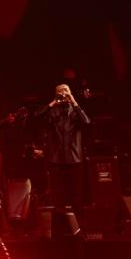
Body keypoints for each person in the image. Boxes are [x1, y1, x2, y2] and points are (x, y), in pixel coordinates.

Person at [38, 83, 90, 213]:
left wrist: (74, 102)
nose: (63, 93)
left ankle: (78, 221)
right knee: (58, 196)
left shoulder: (76, 111)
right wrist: (53, 103)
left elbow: (86, 122)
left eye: (66, 90)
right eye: (60, 91)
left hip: (74, 158)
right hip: (57, 159)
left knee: (76, 195)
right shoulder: (53, 111)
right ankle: (60, 221)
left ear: (70, 92)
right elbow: (37, 118)